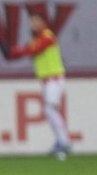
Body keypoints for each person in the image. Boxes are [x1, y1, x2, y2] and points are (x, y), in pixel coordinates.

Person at [10, 14, 72, 160]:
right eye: (31, 22)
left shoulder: (47, 36)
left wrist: (17, 50)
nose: (33, 25)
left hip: (54, 79)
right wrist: (16, 50)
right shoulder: (37, 39)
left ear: (42, 22)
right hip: (47, 80)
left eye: (35, 22)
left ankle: (64, 142)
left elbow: (33, 50)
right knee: (50, 110)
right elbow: (29, 49)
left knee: (50, 109)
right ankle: (62, 141)